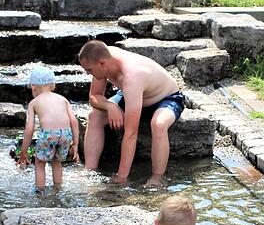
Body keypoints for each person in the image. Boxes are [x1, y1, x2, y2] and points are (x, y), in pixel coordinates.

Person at [78, 40, 185, 186]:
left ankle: (157, 178)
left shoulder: (132, 76)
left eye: (89, 70)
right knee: (95, 115)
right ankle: (89, 171)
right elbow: (94, 96)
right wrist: (110, 106)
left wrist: (122, 177)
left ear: (102, 64)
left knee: (158, 124)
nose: (87, 73)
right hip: (130, 95)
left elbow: (131, 133)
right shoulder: (102, 54)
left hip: (165, 99)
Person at [18, 66, 80, 190]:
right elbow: (74, 121)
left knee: (40, 164)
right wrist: (76, 144)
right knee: (56, 162)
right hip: (65, 134)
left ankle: (40, 191)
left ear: (33, 87)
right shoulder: (63, 99)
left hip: (48, 135)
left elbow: (30, 128)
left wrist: (23, 151)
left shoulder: (34, 102)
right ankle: (57, 189)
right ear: (53, 85)